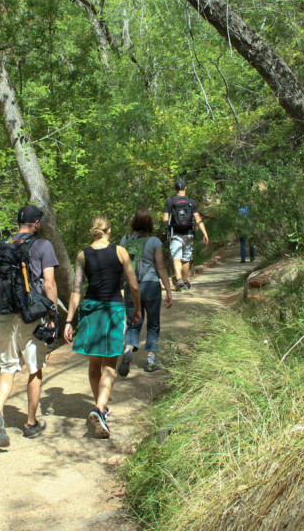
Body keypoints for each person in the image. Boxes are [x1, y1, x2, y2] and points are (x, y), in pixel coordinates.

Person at [0, 204, 59, 448]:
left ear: (19, 224)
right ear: (36, 224)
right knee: (34, 368)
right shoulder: (42, 245)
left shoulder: (1, 247)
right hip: (32, 314)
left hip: (6, 311)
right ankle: (30, 423)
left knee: (7, 367)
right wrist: (53, 312)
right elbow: (48, 283)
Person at [63, 214, 142, 438]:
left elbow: (76, 290)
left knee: (94, 364)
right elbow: (133, 285)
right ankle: (99, 408)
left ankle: (101, 407)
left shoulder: (82, 256)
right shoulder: (120, 252)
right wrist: (136, 309)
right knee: (109, 365)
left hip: (91, 311)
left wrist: (69, 320)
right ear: (109, 230)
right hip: (113, 310)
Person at [117, 209, 173, 375]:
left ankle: (128, 350)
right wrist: (168, 290)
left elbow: (118, 264)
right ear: (149, 224)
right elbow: (161, 266)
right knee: (153, 323)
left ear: (134, 223)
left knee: (133, 322)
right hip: (151, 285)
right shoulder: (155, 241)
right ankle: (150, 361)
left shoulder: (124, 240)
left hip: (131, 286)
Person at [162, 179, 209, 291]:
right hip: (188, 234)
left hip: (176, 234)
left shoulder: (170, 201)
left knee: (176, 257)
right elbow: (198, 219)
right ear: (185, 188)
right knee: (186, 258)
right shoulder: (191, 202)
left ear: (175, 189)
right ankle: (185, 281)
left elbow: (165, 219)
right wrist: (205, 234)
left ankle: (178, 279)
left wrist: (172, 223)